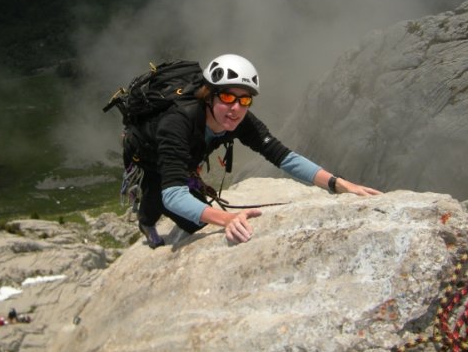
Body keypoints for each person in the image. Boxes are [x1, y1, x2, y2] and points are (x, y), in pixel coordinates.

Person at [126, 53, 382, 248]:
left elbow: (284, 157)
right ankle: (146, 222)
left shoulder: (239, 120)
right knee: (162, 190)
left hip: (186, 153)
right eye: (227, 97)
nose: (236, 107)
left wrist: (338, 184)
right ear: (209, 95)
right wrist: (225, 218)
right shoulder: (178, 122)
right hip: (151, 154)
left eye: (244, 99)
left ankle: (155, 206)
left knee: (199, 216)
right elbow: (173, 195)